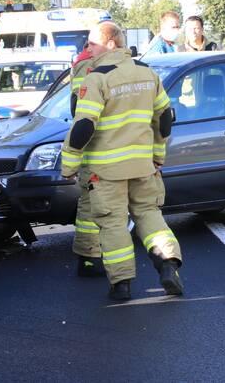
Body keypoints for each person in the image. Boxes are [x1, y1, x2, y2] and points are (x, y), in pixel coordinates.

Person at [61, 21, 183, 300]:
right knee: (149, 215)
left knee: (113, 224)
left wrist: (69, 165)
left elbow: (83, 127)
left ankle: (122, 284)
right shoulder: (147, 73)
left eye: (92, 43)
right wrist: (158, 155)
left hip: (106, 171)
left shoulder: (97, 78)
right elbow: (164, 118)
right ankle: (168, 264)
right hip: (142, 166)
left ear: (111, 43)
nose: (87, 48)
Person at [67, 46, 103, 277]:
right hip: (101, 142)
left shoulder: (81, 64)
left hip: (91, 142)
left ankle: (89, 258)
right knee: (94, 206)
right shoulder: (95, 65)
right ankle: (92, 258)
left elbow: (75, 107)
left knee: (89, 205)